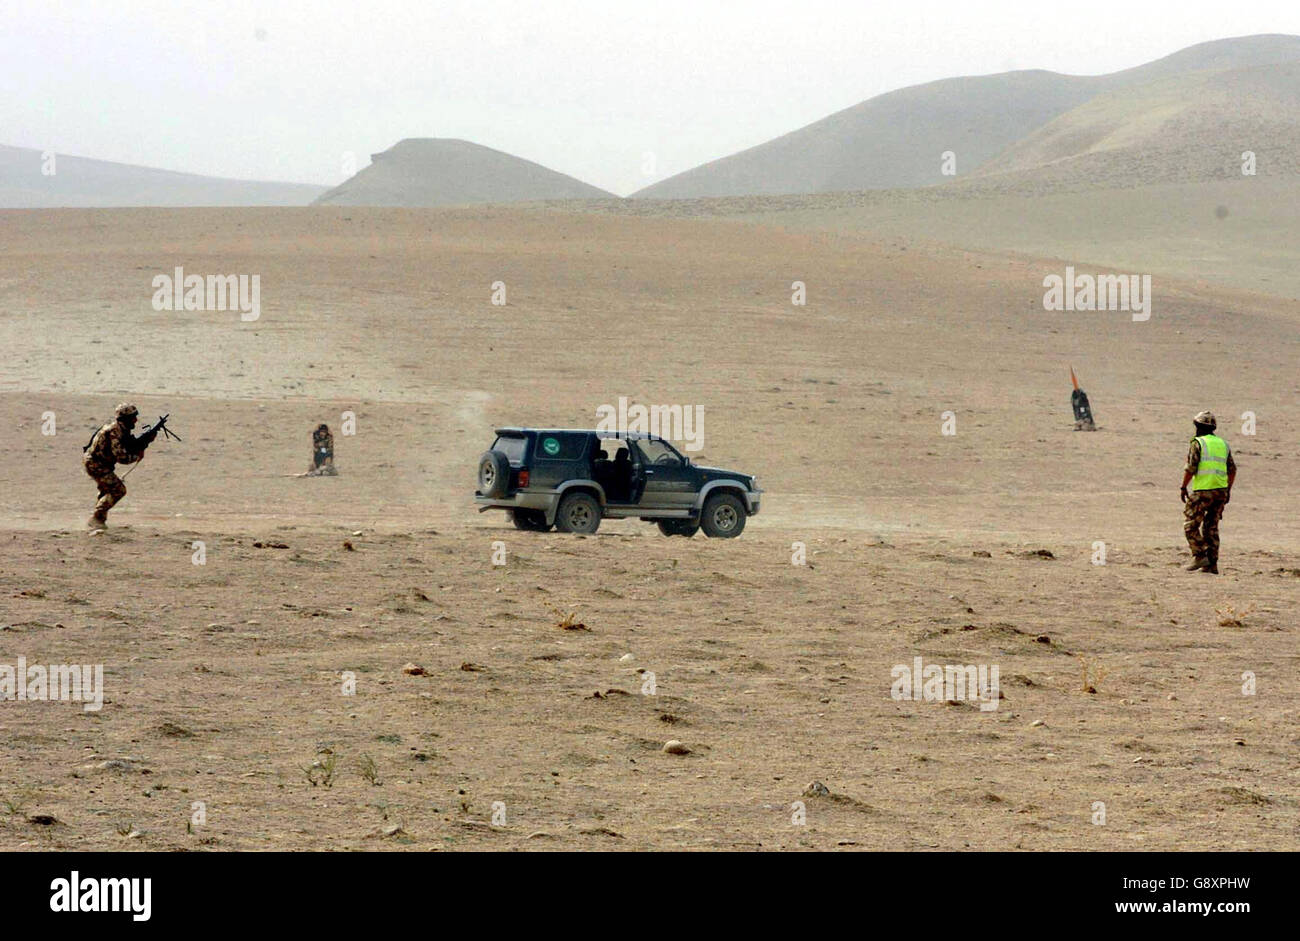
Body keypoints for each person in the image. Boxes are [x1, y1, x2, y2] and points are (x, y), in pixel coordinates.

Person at [82, 403, 159, 529]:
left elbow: (130, 445)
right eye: (132, 417)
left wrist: (145, 442)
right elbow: (121, 457)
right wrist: (136, 456)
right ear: (125, 419)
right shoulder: (114, 432)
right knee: (118, 490)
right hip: (95, 464)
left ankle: (99, 521)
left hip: (100, 463)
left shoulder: (121, 429)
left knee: (107, 490)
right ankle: (96, 519)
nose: (135, 420)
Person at [1180, 410, 1236, 574]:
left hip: (1203, 491)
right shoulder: (1223, 444)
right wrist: (1228, 490)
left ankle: (1199, 555)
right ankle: (1211, 565)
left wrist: (1183, 487)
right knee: (1211, 527)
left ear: (1197, 426)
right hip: (1220, 491)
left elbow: (1191, 468)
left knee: (1190, 525)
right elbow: (1232, 470)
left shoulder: (1197, 443)